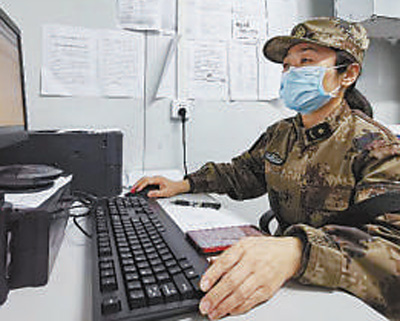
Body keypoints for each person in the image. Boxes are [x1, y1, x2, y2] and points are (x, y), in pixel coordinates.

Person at [133, 18, 400, 321]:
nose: (291, 73)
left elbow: (392, 251)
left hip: (340, 294)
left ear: (348, 73)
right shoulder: (281, 134)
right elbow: (243, 173)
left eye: (306, 61)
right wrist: (183, 184)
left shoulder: (378, 146)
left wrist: (299, 251)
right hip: (283, 278)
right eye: (287, 66)